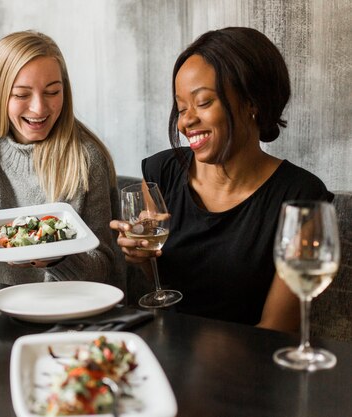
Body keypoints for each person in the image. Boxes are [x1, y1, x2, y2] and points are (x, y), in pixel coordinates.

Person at [110, 27, 333, 332]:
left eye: (203, 103)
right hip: (165, 351)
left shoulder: (300, 197)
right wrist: (141, 258)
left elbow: (278, 329)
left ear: (252, 101)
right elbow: (165, 289)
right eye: (181, 107)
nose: (186, 121)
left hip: (249, 365)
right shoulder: (161, 173)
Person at [0, 30, 122, 287]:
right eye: (22, 94)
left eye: (52, 92)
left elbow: (103, 269)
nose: (39, 108)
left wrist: (56, 258)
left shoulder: (86, 158)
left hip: (67, 309)